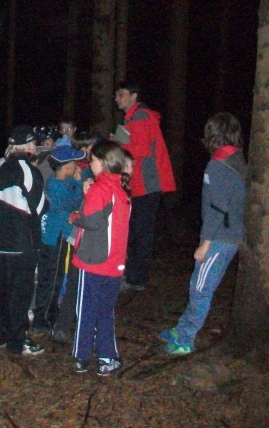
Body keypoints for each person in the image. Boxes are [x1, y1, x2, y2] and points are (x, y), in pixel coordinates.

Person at [160, 112, 246, 356]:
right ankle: (181, 328)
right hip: (227, 234)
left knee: (200, 289)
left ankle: (186, 339)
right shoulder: (236, 160)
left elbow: (218, 208)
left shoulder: (218, 166)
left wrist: (206, 242)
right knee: (197, 284)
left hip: (220, 237)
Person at [69, 141, 131, 376]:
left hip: (93, 261)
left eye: (92, 160)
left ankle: (81, 357)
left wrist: (75, 217)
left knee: (86, 309)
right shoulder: (121, 188)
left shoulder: (101, 188)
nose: (89, 164)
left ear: (103, 163)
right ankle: (107, 358)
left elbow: (92, 221)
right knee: (105, 311)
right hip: (114, 262)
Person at [0, 125, 49, 356]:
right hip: (23, 243)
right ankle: (17, 342)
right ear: (30, 146)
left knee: (2, 292)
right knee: (20, 295)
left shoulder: (0, 170)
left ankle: (0, 336)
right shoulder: (30, 172)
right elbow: (39, 207)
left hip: (0, 242)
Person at [114, 81, 176, 290]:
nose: (117, 99)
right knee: (139, 230)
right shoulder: (132, 118)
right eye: (116, 95)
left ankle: (135, 279)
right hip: (140, 184)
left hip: (146, 184)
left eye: (122, 94)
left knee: (140, 232)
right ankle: (133, 276)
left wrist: (117, 145)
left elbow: (139, 149)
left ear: (134, 95)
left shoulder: (140, 117)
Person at [33, 145, 85, 337]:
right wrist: (79, 184)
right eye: (74, 163)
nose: (77, 166)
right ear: (66, 167)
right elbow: (73, 203)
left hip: (55, 236)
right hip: (55, 237)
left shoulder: (57, 181)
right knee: (52, 279)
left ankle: (50, 315)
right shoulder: (56, 186)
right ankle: (43, 319)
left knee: (53, 278)